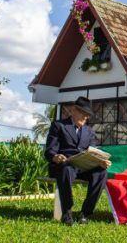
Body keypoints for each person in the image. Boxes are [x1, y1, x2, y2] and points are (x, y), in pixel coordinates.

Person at [44, 97, 111, 226]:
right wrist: (55, 156)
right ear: (73, 110)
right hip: (63, 165)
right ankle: (67, 213)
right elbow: (49, 151)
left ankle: (85, 213)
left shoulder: (89, 131)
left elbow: (92, 152)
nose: (86, 117)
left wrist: (100, 161)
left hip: (82, 167)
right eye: (83, 113)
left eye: (88, 115)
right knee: (67, 169)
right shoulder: (59, 126)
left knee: (101, 173)